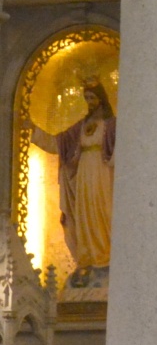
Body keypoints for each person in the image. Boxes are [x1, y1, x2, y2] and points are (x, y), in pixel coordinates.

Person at [30, 78, 116, 287]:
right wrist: (34, 129)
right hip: (83, 174)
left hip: (103, 175)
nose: (90, 102)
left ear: (101, 99)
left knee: (102, 213)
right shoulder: (81, 126)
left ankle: (105, 259)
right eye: (87, 98)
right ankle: (87, 260)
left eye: (92, 97)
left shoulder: (112, 125)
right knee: (84, 215)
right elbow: (59, 143)